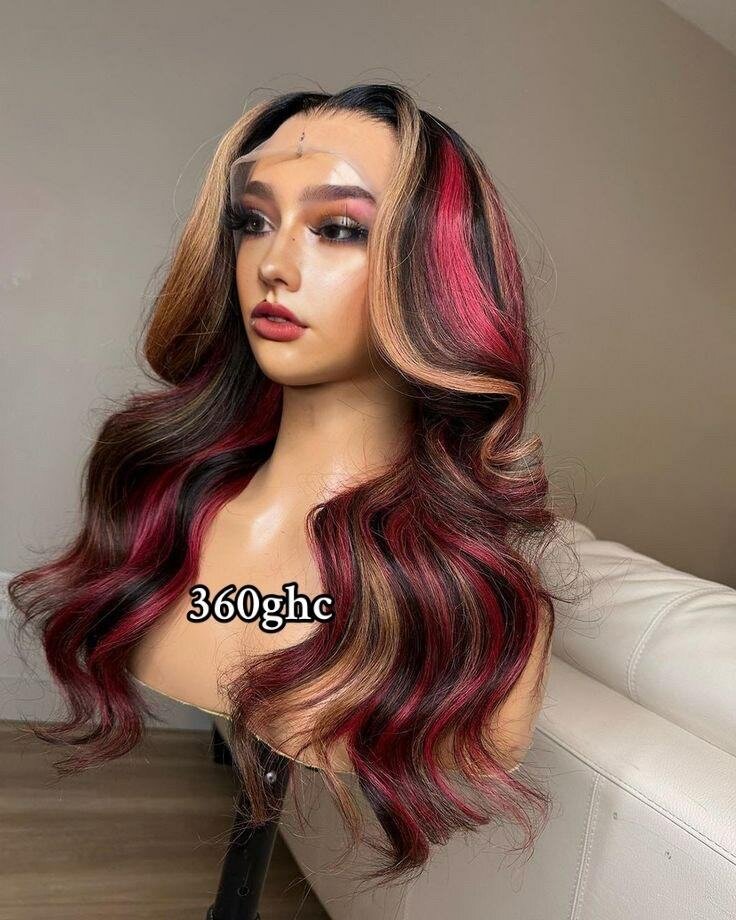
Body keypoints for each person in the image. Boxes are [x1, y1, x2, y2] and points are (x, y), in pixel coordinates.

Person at [9, 83, 566, 886]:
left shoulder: (481, 616)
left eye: (337, 229)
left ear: (434, 274)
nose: (272, 266)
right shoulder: (166, 522)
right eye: (253, 221)